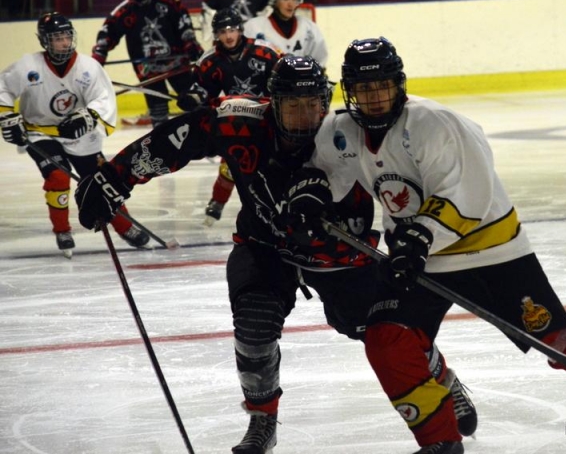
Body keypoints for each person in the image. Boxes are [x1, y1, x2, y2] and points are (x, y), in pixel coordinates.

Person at [300, 37, 566, 454]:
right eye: (363, 88)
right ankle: (441, 443)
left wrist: (419, 238)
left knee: (561, 341)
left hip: (489, 252)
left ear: (399, 85)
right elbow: (324, 169)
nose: (374, 97)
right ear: (350, 91)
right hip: (416, 257)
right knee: (386, 340)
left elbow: (467, 196)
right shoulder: (341, 131)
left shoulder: (435, 124)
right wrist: (312, 193)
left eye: (382, 86)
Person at [73, 55, 477, 454]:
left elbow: (402, 186)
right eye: (293, 105)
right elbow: (178, 138)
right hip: (266, 244)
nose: (306, 115)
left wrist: (415, 239)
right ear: (272, 103)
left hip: (342, 255)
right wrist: (114, 177)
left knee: (385, 330)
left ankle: (442, 379)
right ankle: (262, 420)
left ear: (326, 100)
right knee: (253, 324)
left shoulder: (349, 135)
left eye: (314, 104)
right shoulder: (239, 121)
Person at [0, 12, 150, 258]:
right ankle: (62, 230)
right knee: (58, 177)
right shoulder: (29, 66)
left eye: (67, 36)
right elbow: (3, 86)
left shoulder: (88, 68)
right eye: (57, 38)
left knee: (102, 179)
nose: (64, 43)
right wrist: (7, 117)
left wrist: (87, 116)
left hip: (79, 135)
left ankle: (125, 225)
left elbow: (103, 99)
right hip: (40, 132)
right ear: (45, 41)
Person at [176, 7, 282, 225]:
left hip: (269, 117)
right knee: (232, 162)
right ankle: (217, 202)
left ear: (240, 30)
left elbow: (285, 70)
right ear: (216, 34)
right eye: (223, 31)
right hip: (236, 119)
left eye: (232, 29)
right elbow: (203, 89)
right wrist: (193, 98)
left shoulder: (265, 51)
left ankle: (278, 203)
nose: (228, 35)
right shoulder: (210, 60)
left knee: (275, 164)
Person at [91, 0, 203, 127]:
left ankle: (203, 134)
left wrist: (190, 43)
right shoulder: (124, 11)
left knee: (193, 100)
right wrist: (99, 55)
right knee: (158, 109)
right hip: (148, 68)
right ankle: (163, 143)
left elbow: (183, 20)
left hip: (177, 62)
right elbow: (108, 32)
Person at [243, 0, 328, 70]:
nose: (291, 4)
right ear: (274, 0)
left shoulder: (309, 28)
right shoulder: (254, 27)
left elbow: (319, 61)